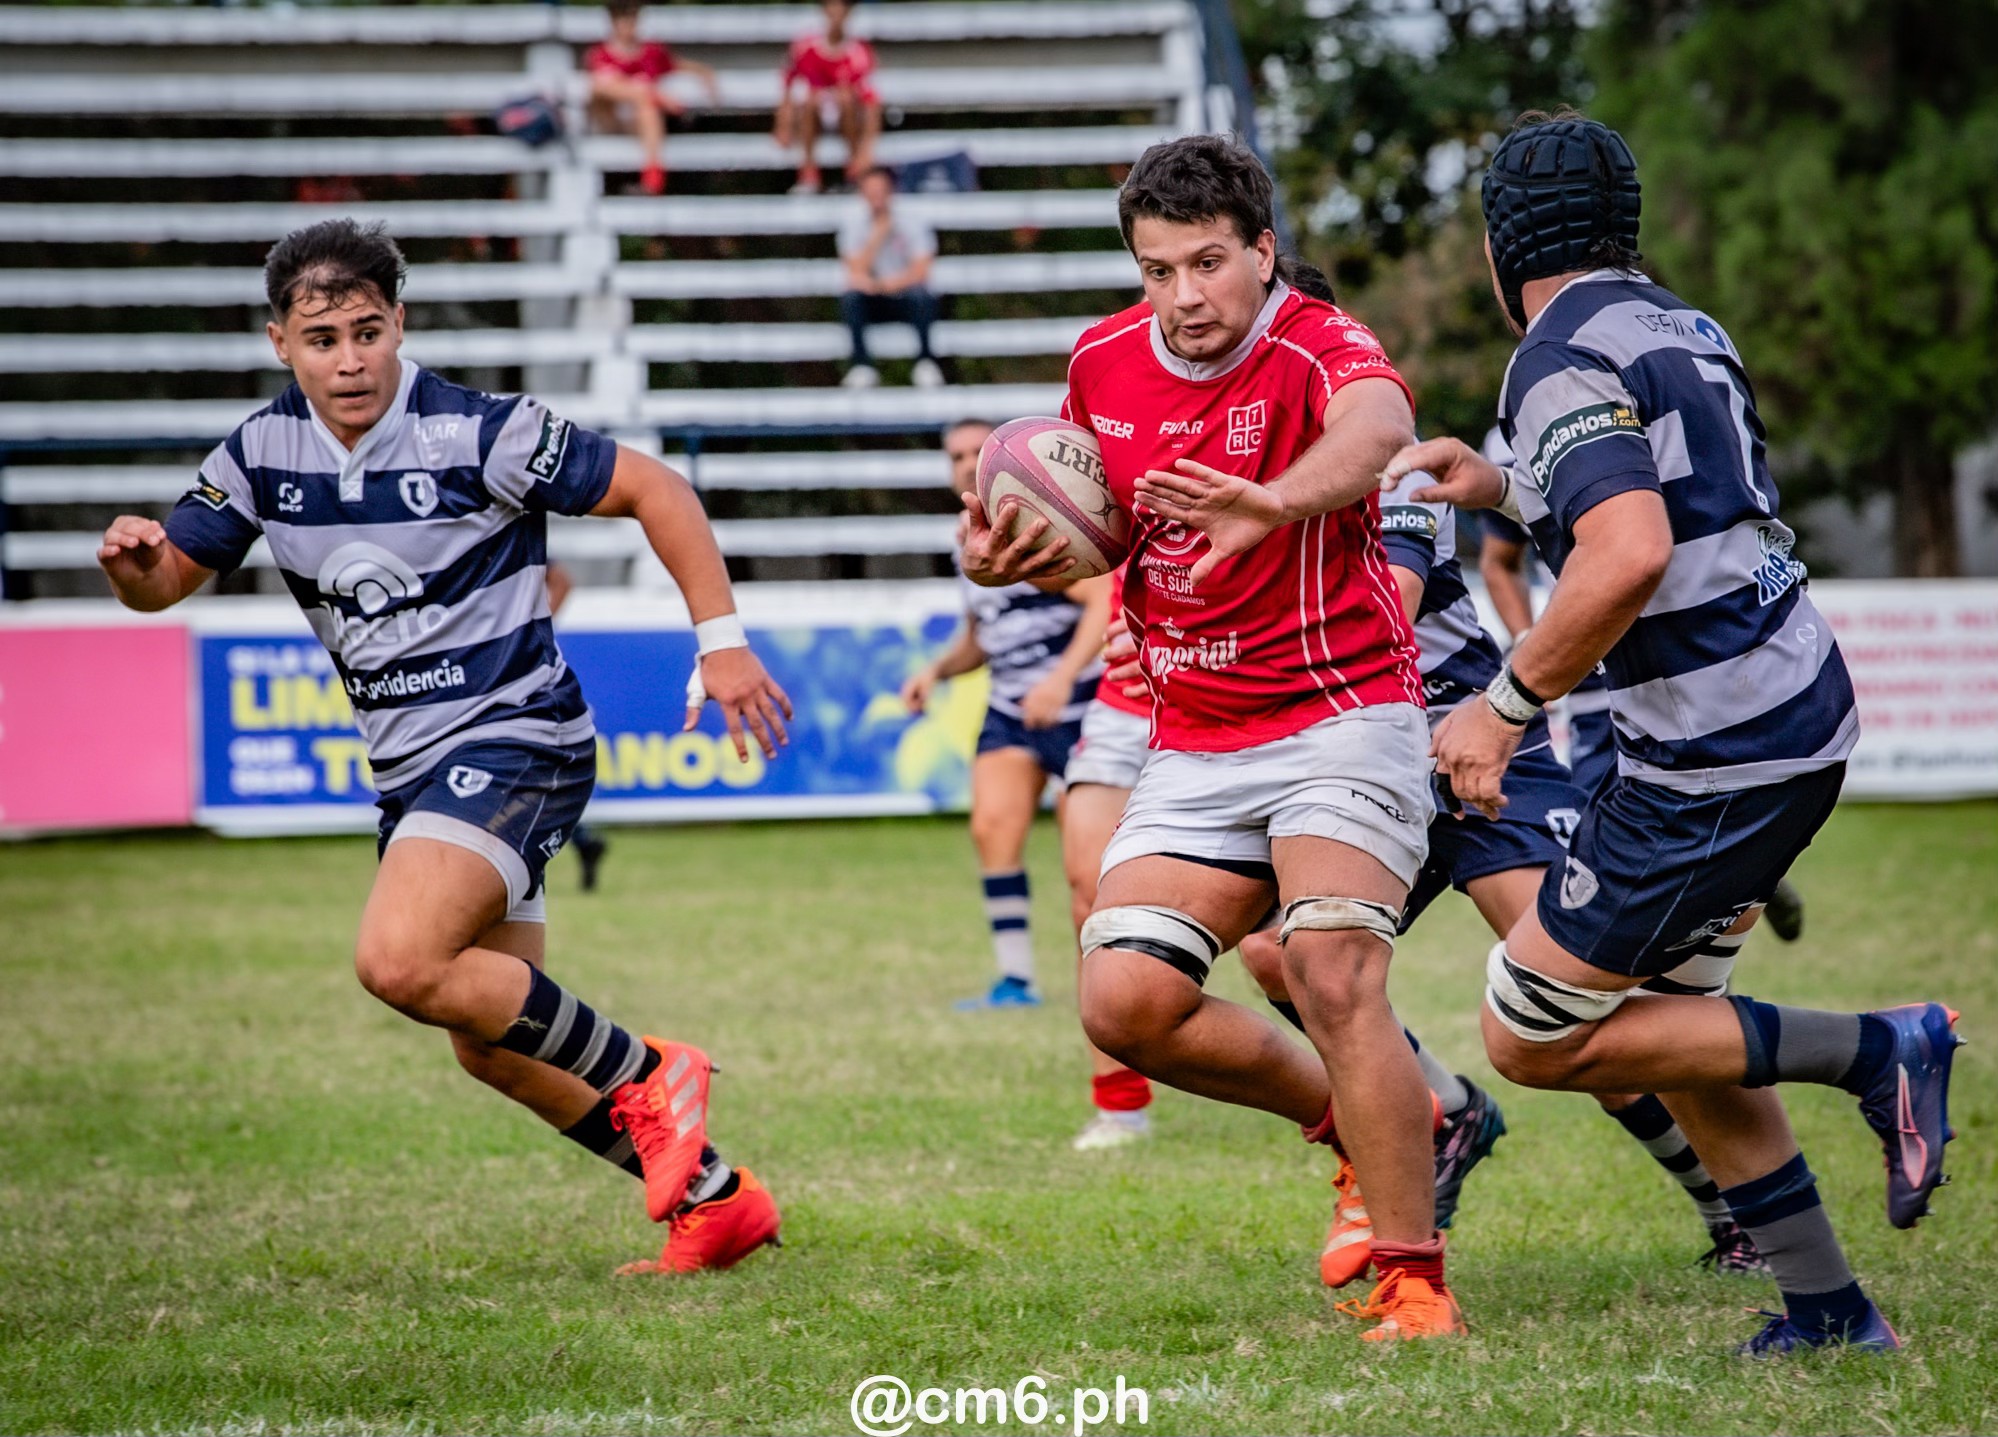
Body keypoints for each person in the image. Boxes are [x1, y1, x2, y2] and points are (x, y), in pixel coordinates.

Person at [95, 219, 793, 1277]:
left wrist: (724, 645)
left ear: (399, 324)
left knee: (399, 959)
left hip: (520, 735)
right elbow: (162, 586)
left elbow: (658, 488)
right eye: (323, 338)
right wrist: (130, 561)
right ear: (280, 340)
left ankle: (653, 1073)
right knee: (488, 1039)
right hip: (415, 771)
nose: (350, 358)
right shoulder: (257, 456)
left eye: (368, 331)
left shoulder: (479, 432)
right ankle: (716, 1199)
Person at [1380, 111, 1961, 1354]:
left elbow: (1629, 547)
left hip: (1711, 754)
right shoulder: (1677, 323)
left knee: (1528, 1030)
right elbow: (1674, 484)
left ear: (1500, 247)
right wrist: (1497, 481)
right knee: (1679, 1018)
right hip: (1788, 710)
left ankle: (1882, 1046)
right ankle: (1828, 1312)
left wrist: (1498, 710)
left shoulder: (1551, 357)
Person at [963, 135, 1463, 1341]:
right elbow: (1101, 524)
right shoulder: (1100, 362)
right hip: (1194, 730)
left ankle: (1413, 1280)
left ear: (1262, 252)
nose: (1184, 297)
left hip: (1344, 709)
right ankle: (1371, 1119)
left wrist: (1281, 497)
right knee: (1123, 1003)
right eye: (1156, 271)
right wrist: (1008, 554)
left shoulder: (1318, 346)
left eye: (1208, 263)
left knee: (1331, 969)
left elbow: (1380, 426)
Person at [1237, 487, 1766, 1283]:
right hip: (1365, 774)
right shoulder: (1236, 477)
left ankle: (1740, 1213)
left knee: (1576, 1010)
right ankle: (1445, 1111)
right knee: (1277, 953)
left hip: (1477, 756)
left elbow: (1388, 607)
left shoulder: (1393, 464)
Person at [1480, 477, 1809, 942]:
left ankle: (1741, 893)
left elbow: (1644, 546)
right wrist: (1527, 646)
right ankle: (1745, 885)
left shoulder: (1641, 418)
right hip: (1595, 692)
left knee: (1687, 830)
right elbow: (1499, 562)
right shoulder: (1506, 440)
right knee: (1604, 846)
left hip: (1684, 670)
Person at [904, 419, 1110, 1010]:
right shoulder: (963, 536)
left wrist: (1061, 678)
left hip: (1082, 709)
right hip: (1010, 707)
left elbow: (1102, 600)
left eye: (977, 451)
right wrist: (936, 672)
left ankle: (1102, 985)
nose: (966, 463)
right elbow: (982, 636)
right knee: (992, 827)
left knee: (1086, 872)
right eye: (956, 455)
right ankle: (1015, 980)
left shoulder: (1038, 523)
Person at [1058, 581, 1156, 1149]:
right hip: (1121, 705)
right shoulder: (1115, 488)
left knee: (1273, 940)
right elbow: (1077, 566)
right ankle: (1120, 1105)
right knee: (1091, 899)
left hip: (1236, 697)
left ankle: (1350, 1086)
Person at [584, 0, 721, 198]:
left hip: (643, 123)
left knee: (646, 107)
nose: (630, 26)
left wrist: (705, 73)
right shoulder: (600, 55)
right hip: (613, 121)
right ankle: (655, 100)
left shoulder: (652, 52)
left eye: (633, 20)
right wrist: (652, 93)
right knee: (611, 85)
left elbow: (679, 65)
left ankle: (652, 180)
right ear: (613, 23)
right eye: (624, 21)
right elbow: (601, 87)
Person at [838, 166, 943, 391]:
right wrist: (878, 235)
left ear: (892, 191)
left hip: (904, 294)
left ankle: (925, 361)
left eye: (880, 191)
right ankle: (861, 365)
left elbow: (922, 269)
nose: (876, 197)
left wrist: (889, 284)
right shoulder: (852, 223)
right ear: (862, 194)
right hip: (874, 297)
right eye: (870, 191)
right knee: (851, 299)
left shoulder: (912, 220)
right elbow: (854, 270)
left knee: (921, 295)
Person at [543, 560, 610, 891]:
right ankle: (584, 841)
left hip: (516, 671)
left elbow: (561, 580)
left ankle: (583, 840)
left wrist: (536, 629)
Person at [773, 0, 881, 195]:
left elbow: (872, 102)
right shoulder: (804, 47)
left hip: (847, 115)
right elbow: (788, 87)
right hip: (812, 114)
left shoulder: (859, 51)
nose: (835, 16)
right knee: (810, 100)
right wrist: (782, 125)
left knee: (846, 98)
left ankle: (854, 167)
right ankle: (808, 171)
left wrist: (868, 147)